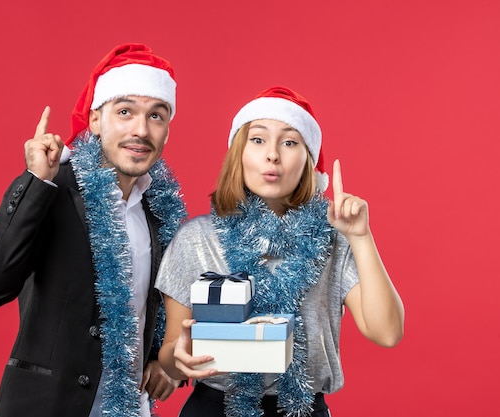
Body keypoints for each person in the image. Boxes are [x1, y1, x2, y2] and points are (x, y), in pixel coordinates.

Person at [155, 86, 405, 416]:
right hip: (215, 407)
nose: (272, 154)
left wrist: (361, 237)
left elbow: (387, 332)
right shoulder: (196, 238)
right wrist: (179, 357)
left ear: (308, 161)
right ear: (239, 154)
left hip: (302, 407)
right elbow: (171, 359)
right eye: (257, 140)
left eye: (289, 142)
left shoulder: (332, 240)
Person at [0, 43, 188, 417]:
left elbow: (150, 305)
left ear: (167, 130)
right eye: (124, 112)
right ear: (96, 120)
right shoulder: (55, 187)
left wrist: (162, 362)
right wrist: (36, 181)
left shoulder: (160, 209)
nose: (141, 130)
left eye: (156, 116)